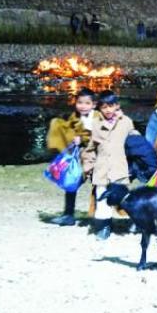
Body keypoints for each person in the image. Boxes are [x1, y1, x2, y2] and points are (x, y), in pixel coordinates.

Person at [82, 90, 135, 240]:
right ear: (99, 109)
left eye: (111, 106)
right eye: (104, 107)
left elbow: (134, 141)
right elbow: (91, 147)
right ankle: (103, 226)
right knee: (102, 198)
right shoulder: (96, 124)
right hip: (102, 168)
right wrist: (88, 165)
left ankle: (134, 221)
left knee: (123, 197)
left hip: (119, 167)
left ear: (117, 105)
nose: (108, 110)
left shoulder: (126, 122)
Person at [46, 88, 98, 226]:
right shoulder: (75, 116)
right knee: (71, 182)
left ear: (94, 104)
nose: (83, 106)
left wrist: (84, 139)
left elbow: (101, 135)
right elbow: (69, 130)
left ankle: (102, 218)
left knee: (100, 186)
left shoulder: (98, 117)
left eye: (87, 103)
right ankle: (68, 214)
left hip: (96, 156)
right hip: (79, 156)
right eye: (80, 102)